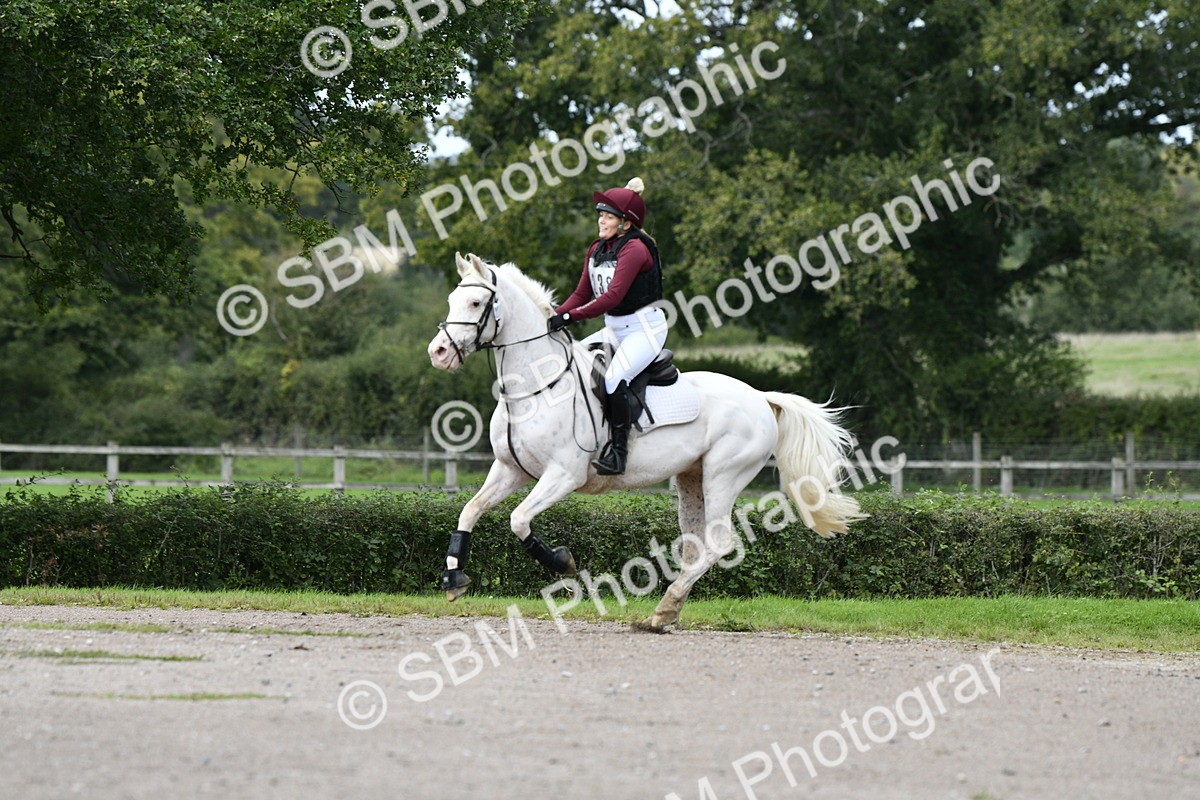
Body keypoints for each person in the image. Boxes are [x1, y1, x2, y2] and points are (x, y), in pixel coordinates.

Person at [547, 176, 666, 475]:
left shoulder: (635, 249)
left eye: (608, 216)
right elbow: (581, 294)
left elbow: (613, 296)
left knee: (613, 379)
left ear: (626, 223)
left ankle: (618, 453)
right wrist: (553, 315)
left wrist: (571, 318)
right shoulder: (597, 249)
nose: (601, 220)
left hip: (644, 330)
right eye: (600, 214)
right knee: (571, 365)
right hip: (614, 328)